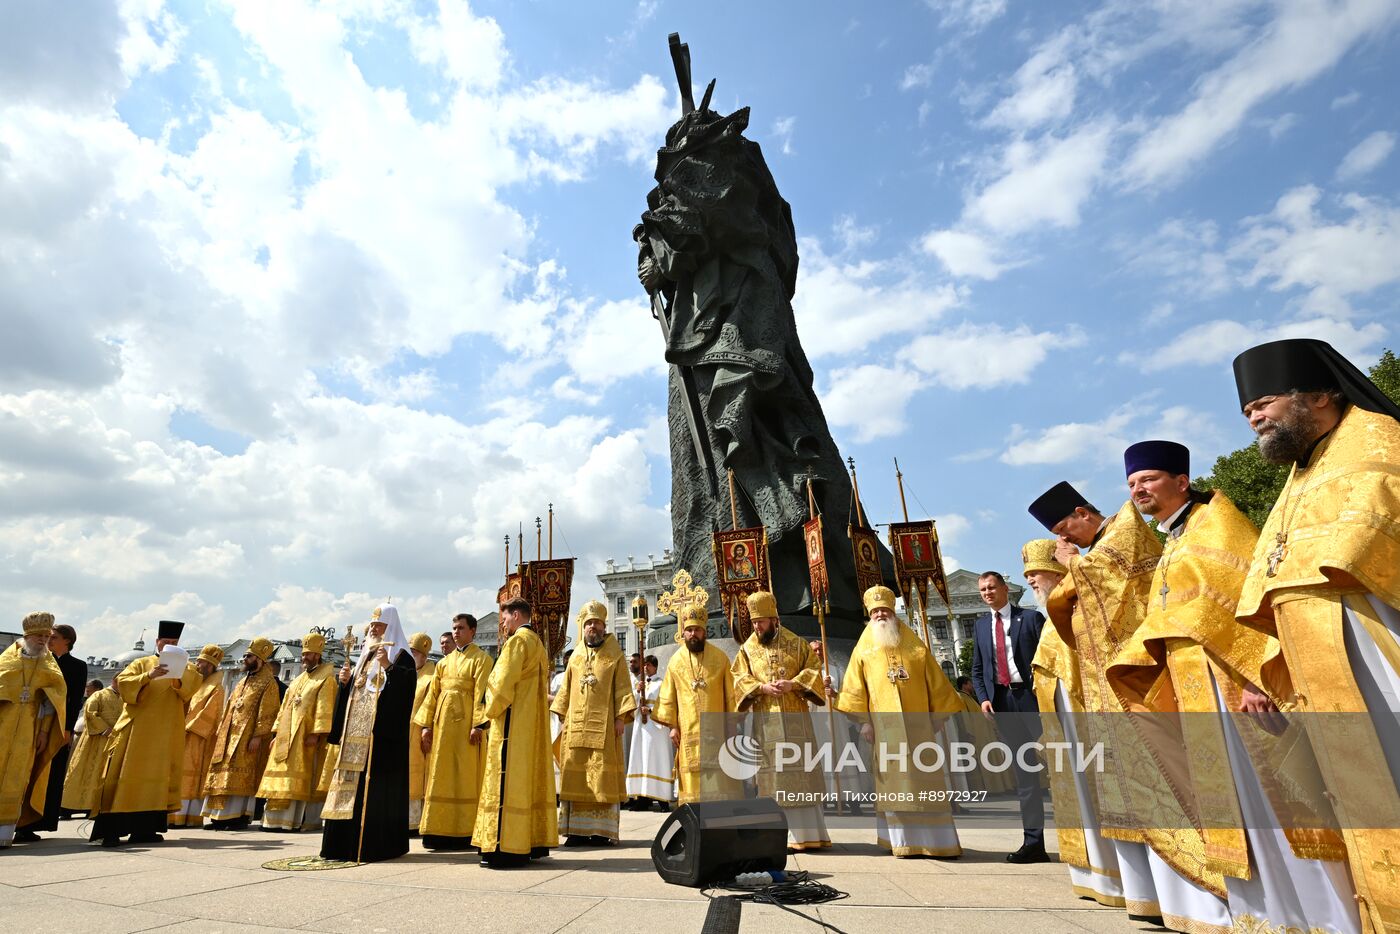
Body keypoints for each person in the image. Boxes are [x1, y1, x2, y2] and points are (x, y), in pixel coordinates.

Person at [1106, 439, 1360, 934]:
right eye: (1133, 483)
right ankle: (1262, 917)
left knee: (1275, 803)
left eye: (1149, 479)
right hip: (1195, 688)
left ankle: (1326, 919)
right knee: (1236, 812)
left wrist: (1253, 674)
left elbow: (1246, 597)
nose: (1139, 489)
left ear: (1181, 481)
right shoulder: (1172, 541)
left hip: (1233, 685)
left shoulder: (1219, 526)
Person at [1231, 338, 1400, 932]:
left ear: (1322, 394)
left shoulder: (1379, 440)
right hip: (1317, 658)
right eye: (1247, 408)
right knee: (1352, 801)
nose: (1254, 415)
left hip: (1372, 638)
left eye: (1265, 401)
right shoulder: (1300, 477)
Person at [1033, 482, 1229, 933]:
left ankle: (1200, 901)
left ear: (1084, 512)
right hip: (1108, 696)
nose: (1067, 541)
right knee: (1123, 796)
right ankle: (1146, 895)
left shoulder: (1128, 533)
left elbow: (1118, 595)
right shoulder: (1097, 547)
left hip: (1139, 686)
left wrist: (1073, 568)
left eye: (1068, 529)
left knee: (1163, 786)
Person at [1023, 539, 1124, 908]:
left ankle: (1113, 874)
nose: (1031, 580)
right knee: (1077, 795)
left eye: (1035, 573)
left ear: (1056, 572)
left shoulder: (1076, 606)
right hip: (1061, 720)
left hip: (1085, 716)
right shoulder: (1052, 614)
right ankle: (1093, 873)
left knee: (1097, 793)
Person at [833, 586, 964, 858]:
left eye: (885, 610)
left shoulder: (915, 645)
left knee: (924, 780)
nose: (881, 614)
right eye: (875, 611)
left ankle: (936, 842)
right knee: (895, 782)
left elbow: (936, 683)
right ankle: (902, 840)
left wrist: (938, 715)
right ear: (869, 615)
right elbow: (855, 690)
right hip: (884, 730)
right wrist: (863, 723)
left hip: (920, 729)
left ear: (893, 612)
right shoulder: (863, 649)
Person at [732, 591, 830, 851]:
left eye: (761, 622)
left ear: (774, 619)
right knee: (771, 777)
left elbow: (814, 671)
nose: (756, 627)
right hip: (765, 725)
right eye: (753, 623)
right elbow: (738, 679)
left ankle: (808, 834)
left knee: (801, 775)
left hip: (797, 721)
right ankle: (776, 837)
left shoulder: (796, 643)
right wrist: (761, 689)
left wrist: (793, 684)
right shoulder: (747, 649)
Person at [91, 619, 201, 847]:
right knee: (124, 777)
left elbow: (191, 689)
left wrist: (177, 677)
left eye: (174, 642)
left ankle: (145, 830)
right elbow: (122, 684)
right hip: (136, 732)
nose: (168, 645)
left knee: (156, 781)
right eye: (165, 641)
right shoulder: (142, 663)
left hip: (165, 734)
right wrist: (147, 676)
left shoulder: (186, 668)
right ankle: (113, 830)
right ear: (157, 642)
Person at [320, 604, 414, 863]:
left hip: (379, 742)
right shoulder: (365, 656)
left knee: (371, 794)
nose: (372, 629)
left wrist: (390, 668)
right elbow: (355, 695)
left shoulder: (400, 657)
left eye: (378, 625)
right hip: (354, 737)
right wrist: (345, 683)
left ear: (390, 627)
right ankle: (338, 844)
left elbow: (404, 694)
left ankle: (372, 845)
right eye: (371, 625)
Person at [969, 570, 1047, 863]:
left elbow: (1044, 660)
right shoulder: (979, 627)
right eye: (983, 590)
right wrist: (984, 698)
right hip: (1003, 704)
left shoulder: (1029, 619)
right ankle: (1034, 843)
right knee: (1025, 776)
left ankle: (1082, 840)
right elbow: (978, 669)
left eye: (991, 587)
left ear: (1004, 589)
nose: (987, 593)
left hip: (1031, 701)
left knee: (1058, 767)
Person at [473, 597, 556, 868]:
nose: (503, 623)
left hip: (512, 724)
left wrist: (485, 712)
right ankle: (527, 842)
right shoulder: (538, 643)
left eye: (505, 617)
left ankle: (504, 848)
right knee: (525, 781)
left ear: (517, 615)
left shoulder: (518, 642)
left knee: (505, 783)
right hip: (529, 724)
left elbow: (501, 682)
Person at [552, 600, 636, 846]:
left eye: (597, 623)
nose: (593, 628)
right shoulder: (576, 654)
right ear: (583, 627)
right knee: (575, 778)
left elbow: (622, 687)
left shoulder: (615, 654)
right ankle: (576, 832)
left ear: (603, 626)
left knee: (600, 779)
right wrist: (562, 715)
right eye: (588, 623)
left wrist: (621, 718)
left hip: (605, 727)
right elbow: (565, 689)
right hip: (576, 726)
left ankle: (600, 831)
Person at [417, 613, 494, 851]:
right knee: (440, 774)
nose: (456, 632)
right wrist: (426, 725)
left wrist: (478, 724)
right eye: (454, 628)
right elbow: (432, 696)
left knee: (465, 776)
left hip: (465, 729)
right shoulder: (442, 663)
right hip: (442, 728)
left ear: (473, 631)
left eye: (461, 628)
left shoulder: (481, 659)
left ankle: (464, 831)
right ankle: (437, 831)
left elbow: (482, 693)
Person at [653, 603, 740, 804]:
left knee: (719, 783)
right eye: (689, 630)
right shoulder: (676, 661)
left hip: (717, 732)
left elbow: (731, 696)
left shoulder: (720, 658)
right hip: (687, 732)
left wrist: (732, 725)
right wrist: (673, 727)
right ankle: (694, 824)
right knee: (692, 785)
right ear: (683, 632)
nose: (693, 634)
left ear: (704, 631)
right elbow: (668, 696)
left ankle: (719, 826)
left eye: (697, 630)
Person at [258, 633, 337, 833]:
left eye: (309, 654)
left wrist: (317, 732)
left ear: (317, 656)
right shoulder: (297, 680)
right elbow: (284, 707)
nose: (304, 658)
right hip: (285, 733)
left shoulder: (326, 678)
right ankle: (272, 821)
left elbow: (325, 707)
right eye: (303, 654)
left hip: (306, 737)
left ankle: (292, 820)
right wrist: (275, 734)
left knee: (300, 777)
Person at [0, 612, 67, 847]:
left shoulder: (49, 663)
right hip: (3, 724)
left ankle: (4, 834)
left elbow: (54, 700)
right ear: (28, 636)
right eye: (39, 636)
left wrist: (44, 732)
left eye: (47, 636)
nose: (43, 641)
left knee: (18, 777)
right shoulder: (6, 660)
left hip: (29, 727)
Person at [202, 637, 280, 829]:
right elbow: (230, 706)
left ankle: (237, 817)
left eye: (249, 656)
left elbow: (268, 712)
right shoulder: (242, 681)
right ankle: (217, 817)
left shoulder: (268, 682)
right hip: (228, 737)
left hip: (248, 739)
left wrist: (258, 736)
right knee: (223, 774)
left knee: (240, 777)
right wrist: (221, 731)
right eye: (245, 655)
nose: (244, 659)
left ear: (260, 660)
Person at [19, 622, 86, 833]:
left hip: (58, 725)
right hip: (34, 722)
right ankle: (23, 821)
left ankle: (42, 821)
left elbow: (74, 700)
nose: (49, 640)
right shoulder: (40, 660)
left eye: (54, 637)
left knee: (52, 773)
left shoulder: (77, 666)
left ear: (67, 640)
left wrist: (66, 730)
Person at [169, 645, 226, 828]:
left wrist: (190, 727)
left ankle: (188, 816)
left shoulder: (216, 687)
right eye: (198, 661)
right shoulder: (193, 682)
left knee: (191, 776)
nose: (198, 665)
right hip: (181, 733)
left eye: (201, 662)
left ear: (211, 666)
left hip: (198, 738)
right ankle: (172, 814)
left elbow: (212, 713)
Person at [64, 679, 123, 816]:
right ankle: (68, 807)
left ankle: (94, 807)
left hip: (114, 741)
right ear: (115, 681)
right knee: (84, 771)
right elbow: (90, 713)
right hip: (95, 741)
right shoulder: (100, 695)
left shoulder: (125, 698)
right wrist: (104, 728)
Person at [626, 654, 675, 810]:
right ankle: (642, 798)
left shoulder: (662, 684)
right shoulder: (640, 684)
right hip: (641, 726)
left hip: (656, 727)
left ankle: (662, 799)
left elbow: (667, 704)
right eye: (644, 665)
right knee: (640, 759)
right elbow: (632, 704)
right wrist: (636, 691)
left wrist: (651, 710)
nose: (645, 668)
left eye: (648, 665)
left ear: (655, 666)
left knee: (656, 760)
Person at [407, 631, 436, 833]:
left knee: (421, 776)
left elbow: (433, 704)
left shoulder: (432, 675)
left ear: (424, 655)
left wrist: (427, 728)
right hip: (404, 732)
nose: (411, 656)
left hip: (421, 733)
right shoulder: (406, 672)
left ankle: (417, 820)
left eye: (414, 652)